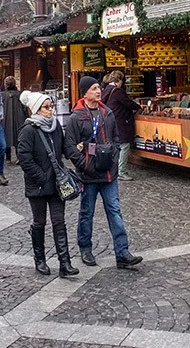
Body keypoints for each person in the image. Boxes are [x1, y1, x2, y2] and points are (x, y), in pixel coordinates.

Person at [65, 76, 141, 270]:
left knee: (115, 211)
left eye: (98, 87)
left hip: (108, 174)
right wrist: (84, 164)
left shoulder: (107, 113)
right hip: (89, 175)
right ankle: (85, 249)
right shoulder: (76, 117)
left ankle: (122, 252)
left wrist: (114, 159)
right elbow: (70, 147)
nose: (98, 91)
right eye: (93, 88)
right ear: (85, 93)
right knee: (86, 213)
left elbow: (116, 138)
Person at [17, 89, 85, 278]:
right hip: (38, 185)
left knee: (59, 221)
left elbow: (63, 149)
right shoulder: (28, 130)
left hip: (56, 184)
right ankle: (40, 259)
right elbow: (24, 158)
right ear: (36, 110)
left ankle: (65, 263)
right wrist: (42, 177)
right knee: (39, 222)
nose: (51, 110)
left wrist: (75, 149)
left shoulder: (55, 127)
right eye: (46, 107)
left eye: (51, 106)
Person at [102, 70, 141, 181]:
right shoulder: (117, 91)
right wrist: (139, 107)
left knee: (115, 146)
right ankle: (121, 172)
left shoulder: (106, 90)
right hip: (120, 122)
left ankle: (114, 169)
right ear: (118, 80)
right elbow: (128, 103)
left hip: (110, 121)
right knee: (124, 146)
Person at [1, 75, 24, 163]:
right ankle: (19, 156)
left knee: (6, 135)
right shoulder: (20, 94)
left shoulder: (2, 95)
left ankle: (8, 157)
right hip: (19, 118)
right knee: (18, 137)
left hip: (5, 118)